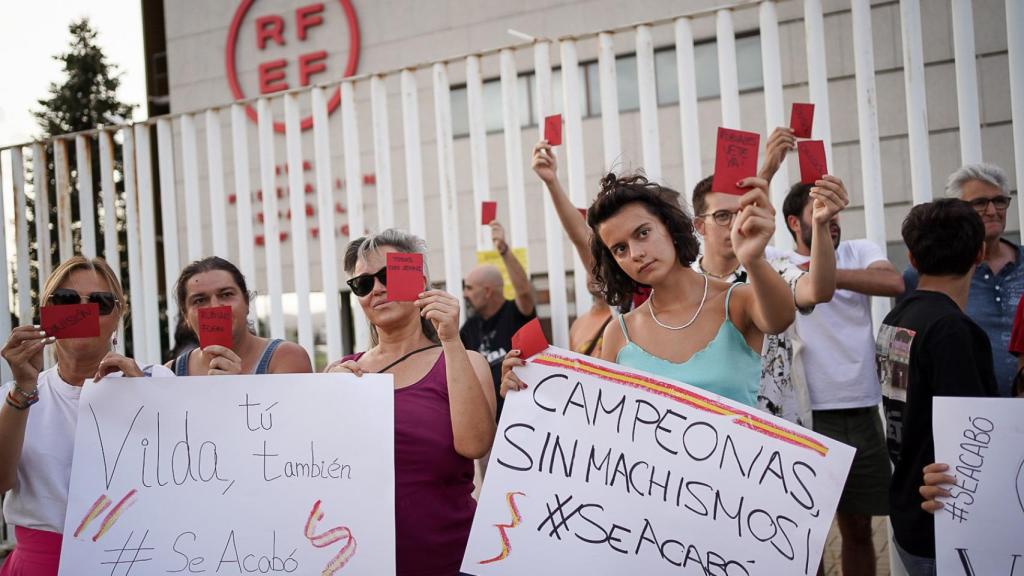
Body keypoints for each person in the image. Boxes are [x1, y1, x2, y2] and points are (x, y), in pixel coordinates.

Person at [507, 171, 795, 406]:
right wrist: (528, 388)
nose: (635, 253)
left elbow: (781, 317)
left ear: (669, 227)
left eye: (642, 233)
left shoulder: (737, 300)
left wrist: (754, 259)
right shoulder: (619, 332)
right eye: (620, 249)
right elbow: (600, 423)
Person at [326, 229, 496, 576]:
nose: (377, 289)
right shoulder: (341, 372)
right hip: (364, 562)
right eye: (363, 284)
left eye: (388, 276)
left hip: (450, 559)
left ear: (419, 282)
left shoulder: (463, 361)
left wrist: (450, 338)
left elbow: (475, 444)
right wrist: (330, 400)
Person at [0, 256, 173, 576]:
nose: (84, 310)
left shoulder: (156, 381)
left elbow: (185, 476)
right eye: (66, 300)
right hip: (41, 565)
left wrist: (142, 397)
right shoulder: (13, 396)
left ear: (118, 316)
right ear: (46, 314)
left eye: (101, 302)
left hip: (133, 559)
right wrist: (23, 389)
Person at [777, 182, 904, 576]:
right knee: (804, 532)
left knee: (860, 528)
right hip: (806, 413)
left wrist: (822, 272)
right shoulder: (775, 258)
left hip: (863, 409)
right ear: (794, 221)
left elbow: (893, 283)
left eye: (834, 218)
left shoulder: (859, 250)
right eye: (819, 217)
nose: (830, 224)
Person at [690, 127, 847, 426]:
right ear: (700, 226)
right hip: (711, 427)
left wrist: (821, 223)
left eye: (742, 212)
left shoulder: (770, 270)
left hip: (778, 432)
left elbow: (819, 290)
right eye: (723, 216)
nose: (738, 223)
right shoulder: (687, 282)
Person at [876, 199, 999, 574]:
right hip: (948, 523)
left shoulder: (896, 318)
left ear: (912, 259)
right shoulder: (953, 332)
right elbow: (977, 441)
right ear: (979, 253)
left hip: (908, 508)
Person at [901, 163, 1023, 396]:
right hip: (967, 419)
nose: (991, 210)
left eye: (999, 200)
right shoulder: (928, 272)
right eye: (979, 203)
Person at [531, 140, 613, 356]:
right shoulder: (578, 325)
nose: (593, 271)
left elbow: (580, 237)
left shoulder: (629, 308)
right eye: (588, 267)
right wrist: (551, 182)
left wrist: (552, 182)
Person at [166, 257, 311, 375]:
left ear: (247, 303)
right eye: (200, 300)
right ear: (185, 316)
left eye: (226, 294)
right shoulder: (171, 374)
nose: (215, 307)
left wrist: (238, 388)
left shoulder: (286, 358)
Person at [460, 221, 536, 418]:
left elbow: (525, 292)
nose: (464, 294)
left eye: (469, 288)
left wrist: (503, 250)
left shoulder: (516, 313)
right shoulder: (468, 329)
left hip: (522, 417)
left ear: (487, 291)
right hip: (485, 423)